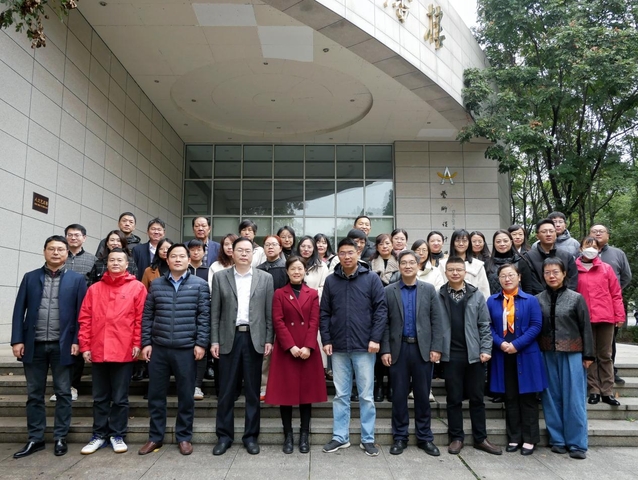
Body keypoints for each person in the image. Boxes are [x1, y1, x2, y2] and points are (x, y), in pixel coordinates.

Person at [11, 235, 87, 459]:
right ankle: (35, 438)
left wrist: (77, 341)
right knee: (34, 393)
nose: (56, 253)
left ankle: (60, 436)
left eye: (60, 249)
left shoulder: (77, 279)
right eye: (51, 249)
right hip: (33, 345)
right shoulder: (30, 277)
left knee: (63, 392)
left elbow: (82, 314)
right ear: (44, 251)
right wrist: (17, 340)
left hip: (63, 346)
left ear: (67, 253)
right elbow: (19, 310)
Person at [138, 244, 211, 456]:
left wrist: (201, 343)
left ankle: (184, 437)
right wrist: (146, 343)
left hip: (186, 348)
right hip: (159, 348)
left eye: (181, 256)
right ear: (167, 260)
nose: (177, 259)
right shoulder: (157, 284)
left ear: (189, 260)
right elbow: (147, 316)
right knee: (156, 395)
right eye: (173, 256)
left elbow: (204, 317)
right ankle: (155, 437)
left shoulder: (200, 285)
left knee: (186, 395)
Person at [320, 238, 388, 457]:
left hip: (364, 346)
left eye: (351, 252)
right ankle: (340, 437)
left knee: (366, 396)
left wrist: (375, 338)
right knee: (341, 395)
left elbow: (381, 310)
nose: (347, 256)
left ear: (358, 253)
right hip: (338, 346)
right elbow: (324, 313)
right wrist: (326, 340)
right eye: (342, 253)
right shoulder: (331, 281)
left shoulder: (371, 278)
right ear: (338, 255)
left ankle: (368, 438)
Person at [78, 248, 147, 455]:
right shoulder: (95, 289)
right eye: (112, 260)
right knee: (99, 397)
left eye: (119, 260)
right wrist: (85, 346)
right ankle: (98, 435)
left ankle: (117, 434)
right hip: (98, 349)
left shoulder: (137, 287)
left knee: (119, 397)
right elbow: (85, 319)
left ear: (127, 264)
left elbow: (141, 319)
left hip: (124, 350)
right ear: (106, 263)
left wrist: (137, 343)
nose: (115, 263)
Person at [210, 237, 274, 456]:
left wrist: (269, 339)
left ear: (253, 254)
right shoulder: (220, 277)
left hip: (254, 339)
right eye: (240, 250)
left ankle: (251, 437)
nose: (244, 254)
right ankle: (224, 437)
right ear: (232, 252)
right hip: (229, 338)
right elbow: (215, 313)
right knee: (226, 391)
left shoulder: (265, 278)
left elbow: (269, 313)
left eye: (248, 250)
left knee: (253, 392)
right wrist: (214, 341)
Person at [381, 250, 444, 456]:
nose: (408, 266)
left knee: (422, 395)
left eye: (411, 263)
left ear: (418, 266)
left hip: (422, 349)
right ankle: (400, 437)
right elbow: (385, 323)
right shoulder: (389, 291)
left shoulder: (429, 289)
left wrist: (436, 347)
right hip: (398, 349)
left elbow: (437, 320)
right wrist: (385, 349)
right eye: (404, 263)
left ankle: (425, 437)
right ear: (399, 266)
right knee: (399, 395)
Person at [438, 256, 502, 456]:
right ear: (446, 273)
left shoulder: (476, 295)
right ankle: (456, 437)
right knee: (453, 398)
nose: (455, 273)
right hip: (450, 355)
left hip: (474, 355)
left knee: (477, 398)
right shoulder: (439, 295)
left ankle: (480, 438)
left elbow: (485, 325)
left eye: (459, 269)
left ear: (465, 272)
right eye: (451, 270)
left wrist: (486, 349)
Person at [265, 256, 328, 454]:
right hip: (287, 350)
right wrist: (290, 346)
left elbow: (314, 321)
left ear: (305, 271)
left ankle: (304, 435)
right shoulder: (279, 293)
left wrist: (308, 346)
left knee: (306, 395)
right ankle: (288, 436)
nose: (296, 272)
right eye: (293, 269)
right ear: (287, 271)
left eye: (300, 268)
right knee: (285, 395)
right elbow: (278, 321)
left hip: (307, 349)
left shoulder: (312, 293)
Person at [486, 263, 547, 455]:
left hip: (526, 353)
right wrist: (501, 344)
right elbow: (488, 326)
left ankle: (530, 439)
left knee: (528, 398)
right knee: (510, 397)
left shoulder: (530, 300)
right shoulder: (492, 301)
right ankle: (514, 437)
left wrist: (517, 345)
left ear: (519, 277)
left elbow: (536, 326)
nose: (507, 279)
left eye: (511, 275)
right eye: (503, 276)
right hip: (503, 354)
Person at [537, 257, 594, 459]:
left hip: (573, 353)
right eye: (547, 272)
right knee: (551, 398)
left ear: (564, 274)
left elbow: (585, 327)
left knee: (574, 398)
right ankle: (557, 439)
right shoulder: (538, 299)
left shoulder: (576, 298)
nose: (551, 276)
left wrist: (588, 354)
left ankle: (577, 443)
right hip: (546, 353)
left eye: (555, 272)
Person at [575, 237, 625, 406]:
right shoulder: (574, 269)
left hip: (605, 317)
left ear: (599, 249)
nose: (591, 249)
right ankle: (594, 390)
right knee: (590, 355)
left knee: (605, 355)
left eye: (594, 246)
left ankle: (607, 391)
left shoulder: (606, 268)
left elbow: (616, 293)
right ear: (581, 248)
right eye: (587, 245)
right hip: (584, 318)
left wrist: (619, 315)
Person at [590, 223, 632, 385]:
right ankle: (592, 378)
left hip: (610, 305)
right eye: (594, 231)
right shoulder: (583, 255)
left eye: (601, 231)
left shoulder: (617, 253)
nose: (598, 233)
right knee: (591, 343)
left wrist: (612, 292)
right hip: (589, 306)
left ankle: (610, 372)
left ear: (608, 235)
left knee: (609, 342)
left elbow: (626, 276)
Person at [61, 223, 96, 403]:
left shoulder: (92, 260)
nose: (73, 238)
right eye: (70, 235)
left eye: (77, 235)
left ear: (84, 238)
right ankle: (62, 386)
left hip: (84, 309)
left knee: (79, 345)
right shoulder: (60, 257)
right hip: (61, 309)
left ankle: (73, 386)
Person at [257, 234, 288, 400]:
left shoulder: (286, 268)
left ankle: (282, 385)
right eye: (267, 244)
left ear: (280, 248)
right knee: (265, 352)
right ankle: (264, 386)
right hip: (262, 316)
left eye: (274, 244)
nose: (270, 247)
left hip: (283, 315)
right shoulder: (258, 269)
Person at [369, 233, 399, 402]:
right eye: (381, 244)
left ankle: (392, 385)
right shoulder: (370, 264)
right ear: (377, 247)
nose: (385, 246)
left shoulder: (400, 262)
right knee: (379, 348)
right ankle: (379, 385)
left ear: (392, 245)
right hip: (376, 310)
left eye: (387, 243)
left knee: (393, 348)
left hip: (395, 308)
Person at [519, 218, 578, 294]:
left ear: (555, 234)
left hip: (565, 298)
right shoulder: (528, 257)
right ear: (537, 236)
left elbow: (572, 280)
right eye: (544, 232)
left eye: (551, 231)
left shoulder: (567, 256)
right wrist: (546, 297)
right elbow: (531, 283)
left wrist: (563, 296)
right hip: (538, 298)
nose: (548, 234)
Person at [439, 229, 491, 299]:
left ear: (469, 243)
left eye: (464, 241)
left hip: (473, 302)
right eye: (457, 240)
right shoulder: (443, 264)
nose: (461, 243)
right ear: (453, 243)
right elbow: (440, 288)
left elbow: (484, 290)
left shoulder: (478, 265)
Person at [486, 230, 521, 295]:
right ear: (494, 243)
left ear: (511, 242)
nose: (502, 244)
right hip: (495, 300)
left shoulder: (520, 261)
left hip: (518, 300)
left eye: (505, 241)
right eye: (498, 241)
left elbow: (528, 287)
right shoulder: (487, 263)